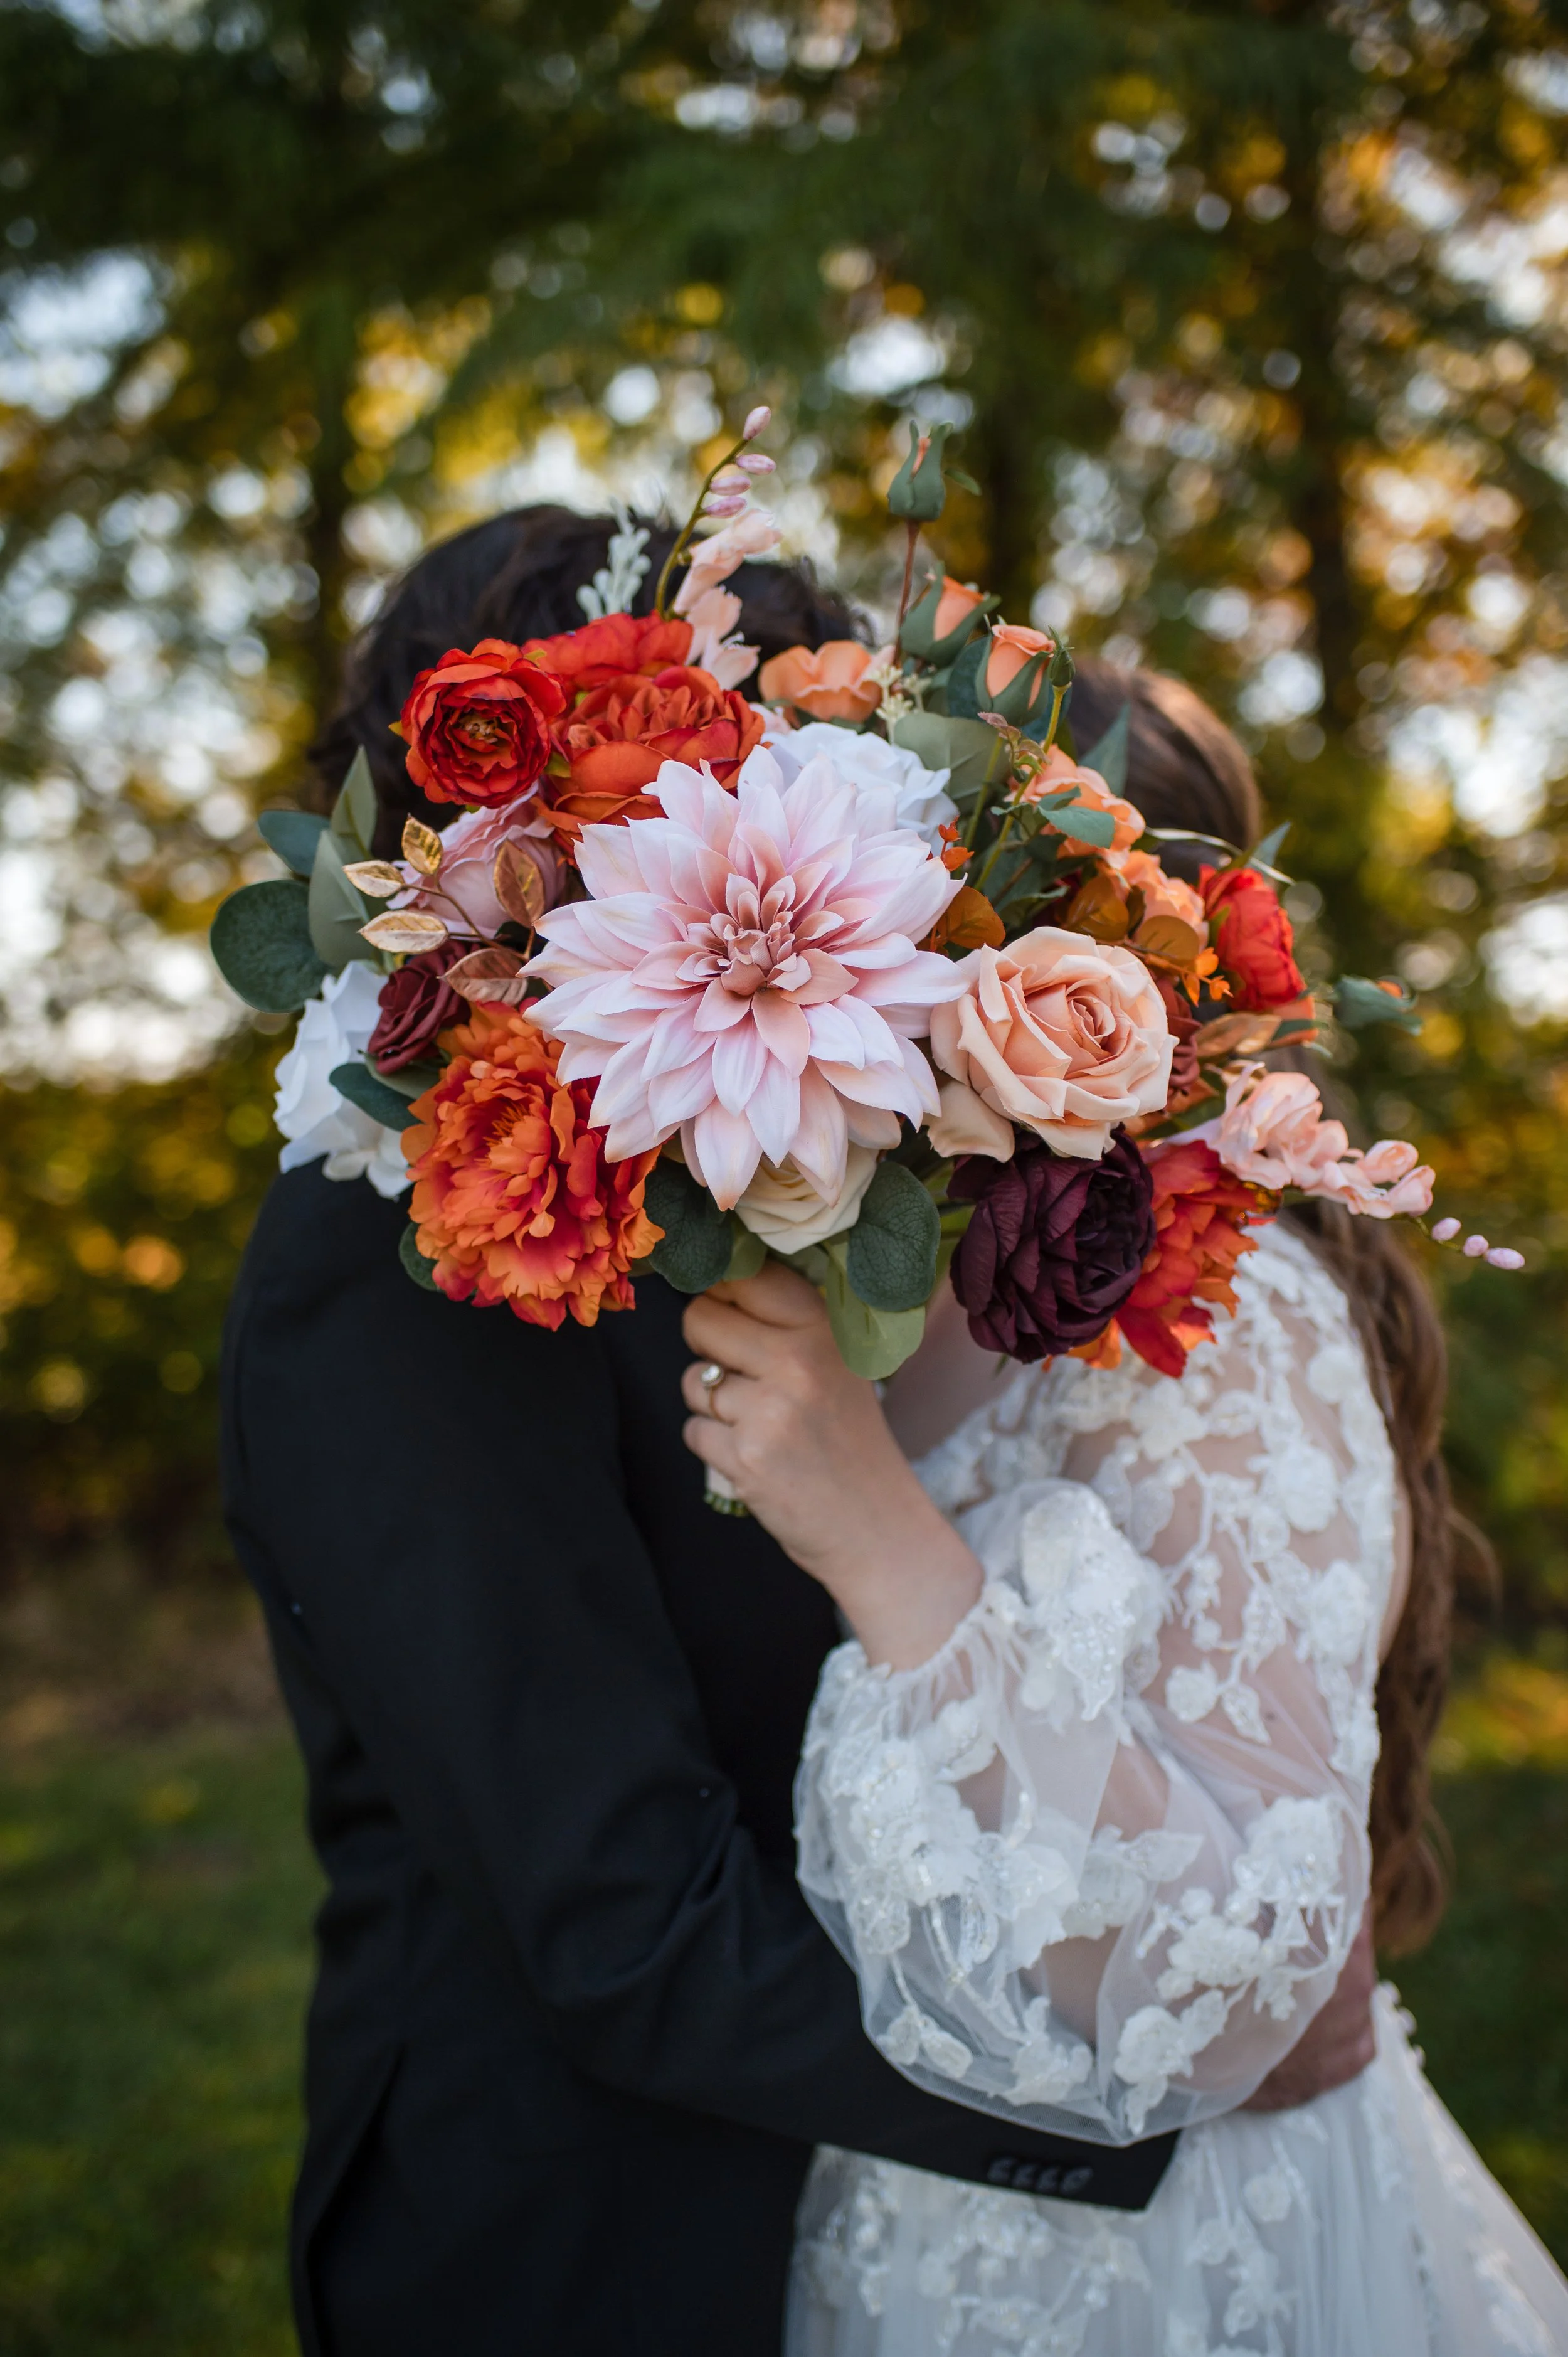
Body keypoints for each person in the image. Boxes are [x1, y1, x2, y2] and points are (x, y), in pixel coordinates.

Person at [223, 509, 1406, 2357]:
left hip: (833, 2201)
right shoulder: (378, 1247)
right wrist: (1140, 2091)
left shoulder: (751, 1142)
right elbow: (619, 1917)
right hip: (574, 2249)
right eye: (697, 752)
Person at [677, 662, 1568, 2353]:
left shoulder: (1231, 1312)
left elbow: (1224, 1961)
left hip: (1168, 2258)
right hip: (923, 2220)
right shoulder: (932, 1258)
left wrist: (873, 1534)